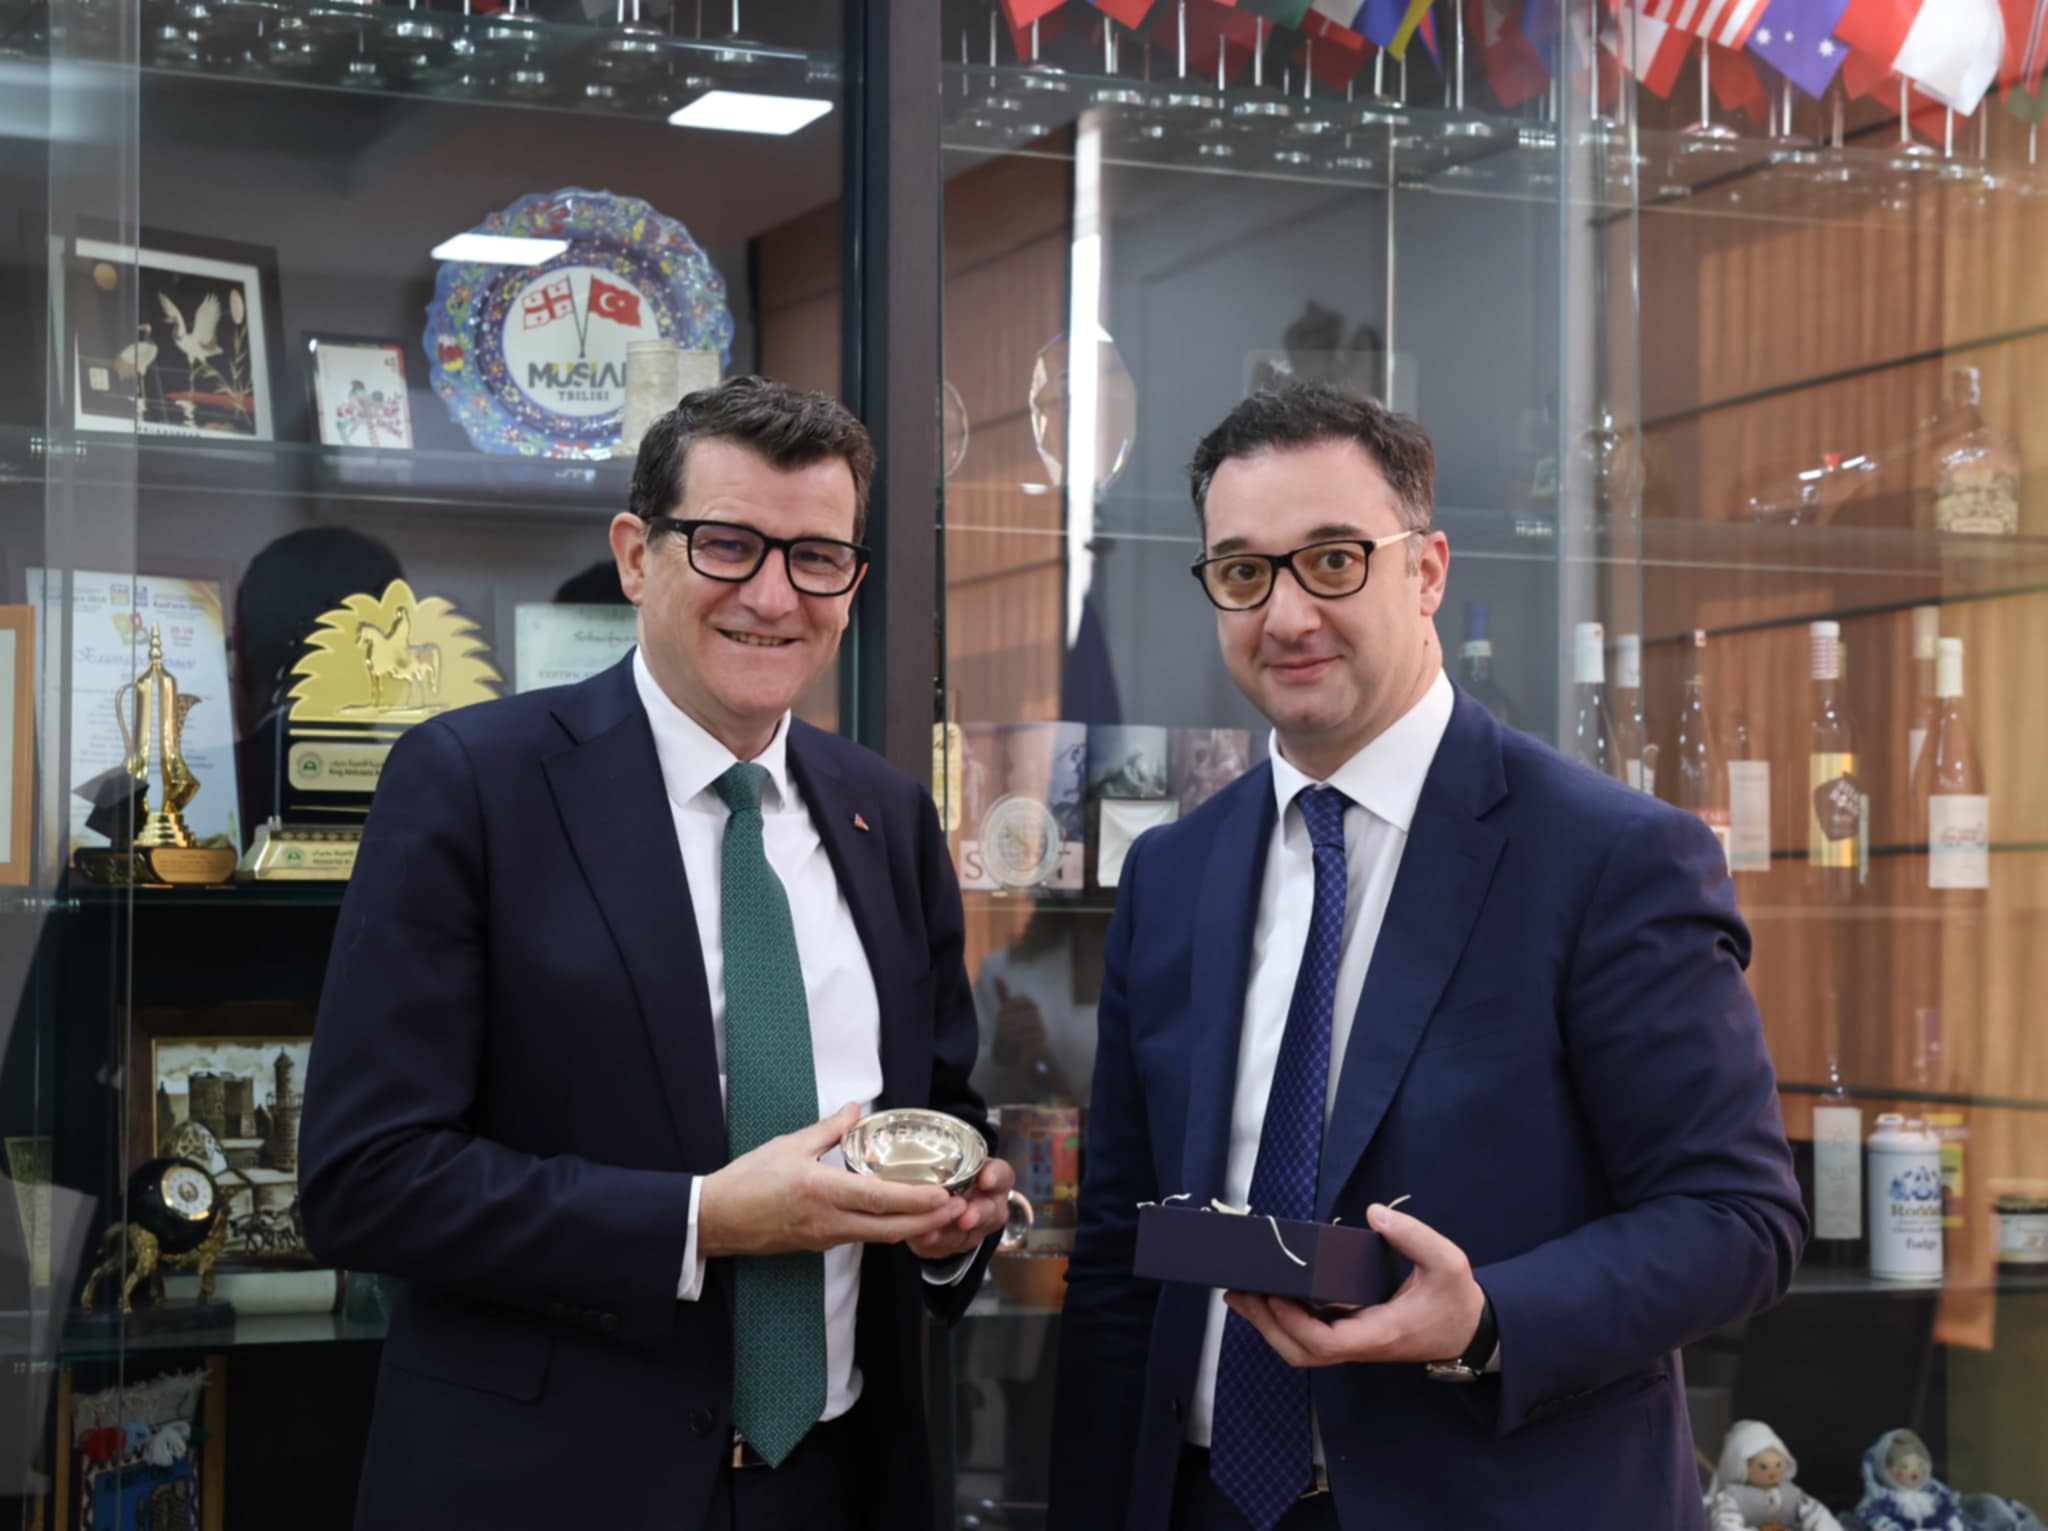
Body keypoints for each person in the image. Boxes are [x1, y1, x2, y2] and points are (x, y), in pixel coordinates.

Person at [1049, 382, 1806, 1531]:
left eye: (1332, 561)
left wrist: (1487, 1316)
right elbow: (1118, 1251)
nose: (1286, 615)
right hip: (1199, 1500)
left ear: (1427, 570)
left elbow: (1736, 1217)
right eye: (1243, 572)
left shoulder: (1607, 856)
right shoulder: (1171, 872)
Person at [299, 376, 1014, 1531]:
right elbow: (364, 1181)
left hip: (835, 1482)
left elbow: (939, 1111)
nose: (772, 596)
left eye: (816, 557)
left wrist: (949, 1229)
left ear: (851, 583)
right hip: (550, 1490)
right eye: (727, 545)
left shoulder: (884, 813)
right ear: (636, 555)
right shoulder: (474, 784)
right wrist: (701, 1220)